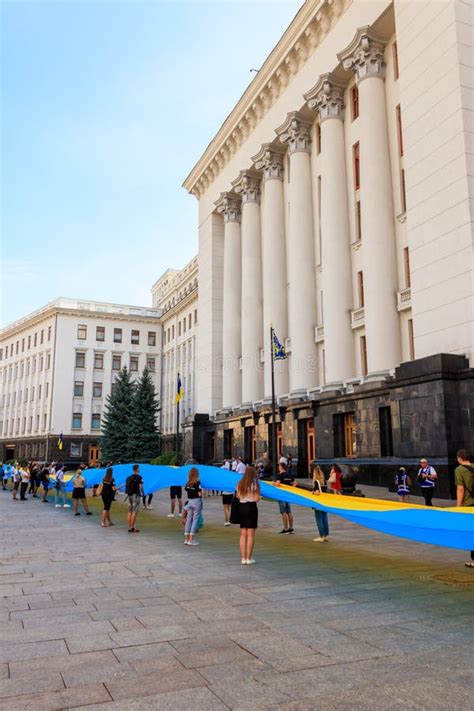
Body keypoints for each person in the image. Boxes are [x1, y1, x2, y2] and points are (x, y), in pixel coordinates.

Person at [236, 465, 261, 564]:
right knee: (250, 534)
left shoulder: (239, 484)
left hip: (242, 507)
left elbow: (238, 496)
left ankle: (243, 558)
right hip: (251, 507)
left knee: (243, 533)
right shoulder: (254, 484)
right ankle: (249, 558)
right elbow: (257, 499)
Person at [454, 449, 474, 568]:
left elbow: (460, 489)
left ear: (460, 458)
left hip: (469, 504)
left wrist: (458, 507)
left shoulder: (459, 470)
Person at [275, 461, 296, 534]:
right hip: (288, 495)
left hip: (281, 495)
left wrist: (274, 484)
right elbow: (295, 483)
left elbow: (277, 484)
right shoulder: (289, 475)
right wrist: (291, 488)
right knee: (289, 512)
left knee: (283, 512)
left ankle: (285, 528)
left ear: (281, 467)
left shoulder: (280, 475)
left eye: (279, 466)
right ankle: (291, 527)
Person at [184, 467, 203, 546]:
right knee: (195, 520)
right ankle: (191, 540)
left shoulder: (188, 483)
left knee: (188, 520)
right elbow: (199, 493)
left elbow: (186, 490)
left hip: (190, 502)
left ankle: (186, 539)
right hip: (196, 501)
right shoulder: (197, 483)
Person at [312, 465, 329, 542]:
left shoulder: (316, 482)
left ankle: (321, 536)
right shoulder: (324, 481)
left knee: (319, 519)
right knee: (324, 518)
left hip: (318, 503)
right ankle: (325, 535)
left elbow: (317, 492)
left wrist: (312, 492)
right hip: (324, 502)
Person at [125, 464, 144, 533]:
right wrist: (143, 493)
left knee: (129, 511)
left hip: (129, 496)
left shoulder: (129, 477)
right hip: (136, 495)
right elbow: (141, 487)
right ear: (137, 469)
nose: (140, 469)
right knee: (134, 511)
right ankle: (132, 527)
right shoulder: (139, 477)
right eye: (139, 468)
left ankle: (129, 527)